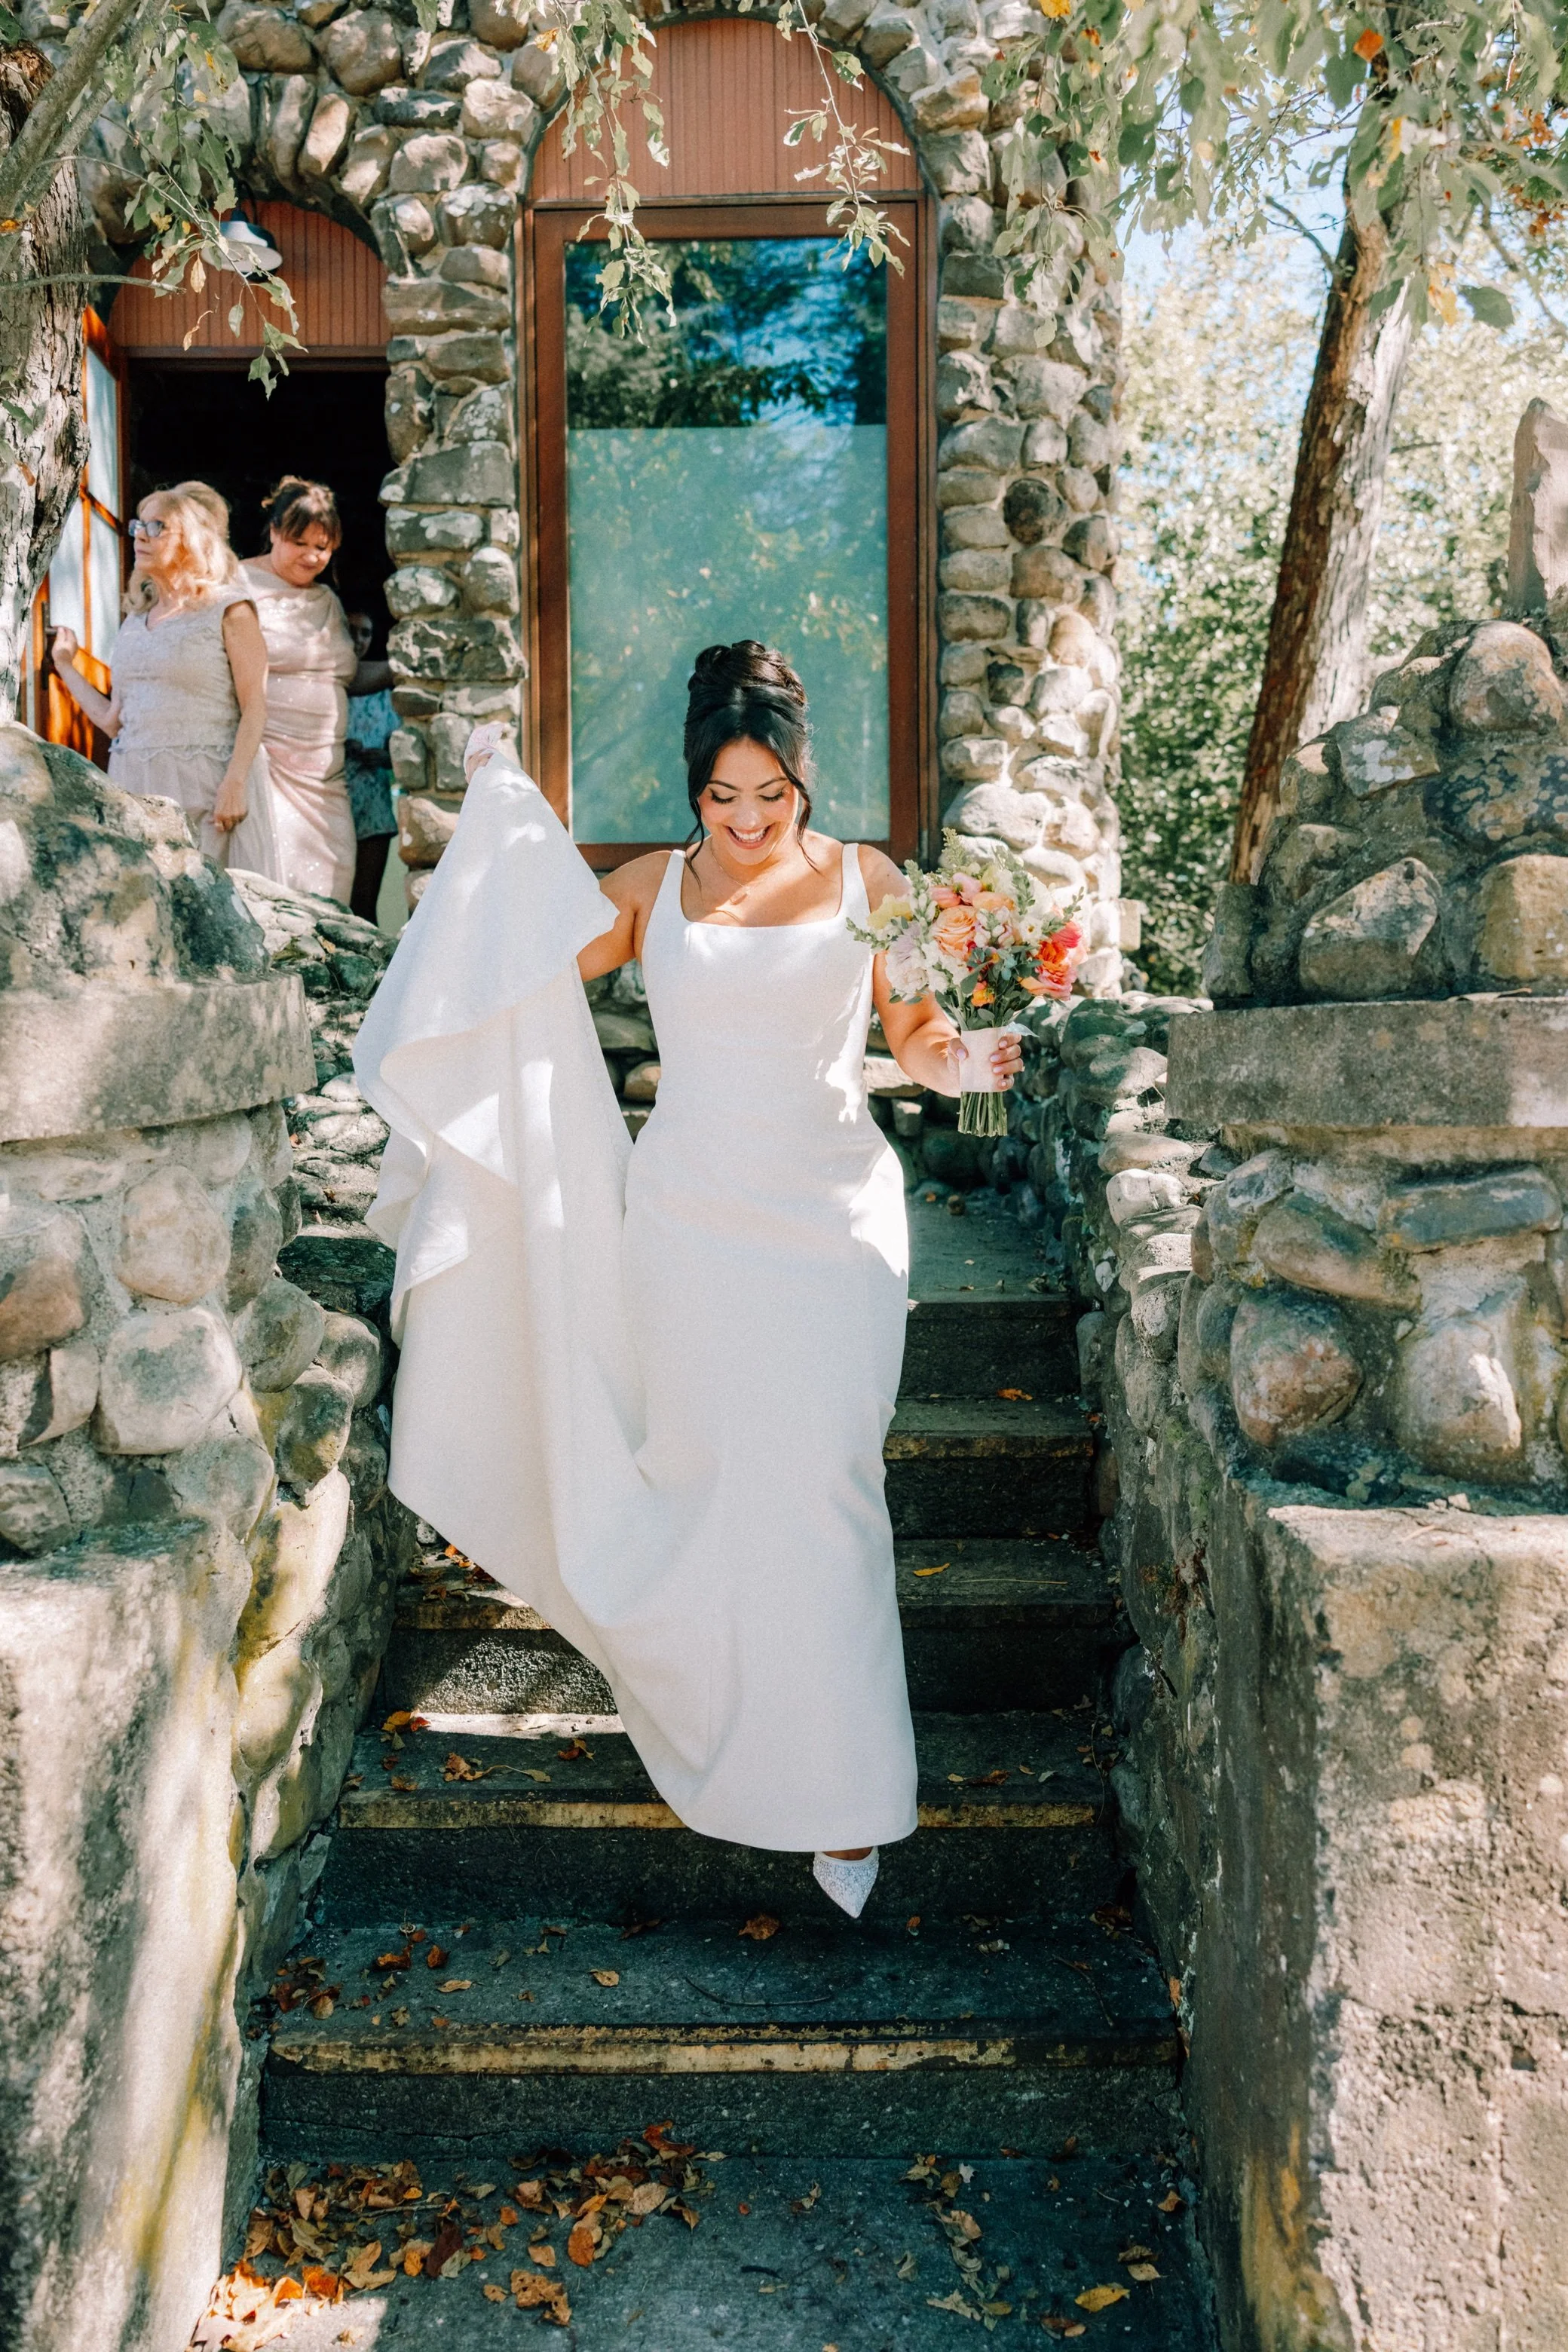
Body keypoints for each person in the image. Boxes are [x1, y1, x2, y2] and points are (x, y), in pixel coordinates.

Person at [354, 640, 1024, 1917]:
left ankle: (844, 1792)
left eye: (773, 794)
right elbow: (521, 966)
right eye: (727, 798)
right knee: (712, 1481)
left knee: (826, 1486)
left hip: (834, 1224)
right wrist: (506, 823)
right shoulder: (651, 887)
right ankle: (726, 1732)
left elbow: (918, 1030)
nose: (754, 819)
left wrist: (964, 1064)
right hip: (689, 1223)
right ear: (694, 793)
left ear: (802, 781)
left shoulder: (871, 881)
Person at [51, 484, 279, 874]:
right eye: (139, 524)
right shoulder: (135, 622)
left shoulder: (230, 610)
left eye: (158, 526)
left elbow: (255, 706)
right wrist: (66, 667)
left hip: (208, 790)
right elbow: (112, 720)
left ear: (193, 538)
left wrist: (236, 783)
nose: (139, 533)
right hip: (137, 788)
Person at [242, 479, 392, 906]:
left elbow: (344, 678)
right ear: (273, 531)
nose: (312, 556)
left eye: (322, 547)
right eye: (299, 542)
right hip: (270, 767)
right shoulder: (238, 584)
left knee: (334, 886)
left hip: (327, 774)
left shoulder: (326, 599)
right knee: (279, 891)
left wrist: (405, 669)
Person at [342, 611, 398, 924]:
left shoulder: (383, 696)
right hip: (333, 800)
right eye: (351, 631)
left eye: (365, 633)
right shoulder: (327, 685)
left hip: (373, 804)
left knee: (365, 904)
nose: (358, 640)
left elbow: (399, 752)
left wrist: (381, 758)